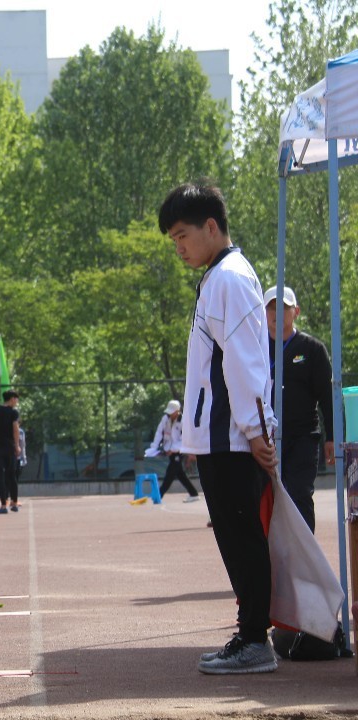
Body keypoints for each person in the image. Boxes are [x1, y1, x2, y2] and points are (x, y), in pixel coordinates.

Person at [159, 183, 279, 676]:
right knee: (235, 536)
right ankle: (251, 634)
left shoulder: (229, 279)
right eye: (173, 240)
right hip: (219, 435)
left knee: (243, 537)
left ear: (212, 227)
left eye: (183, 235)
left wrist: (254, 430)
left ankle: (255, 640)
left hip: (230, 437)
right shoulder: (219, 278)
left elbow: (247, 363)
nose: (179, 247)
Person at [265, 286, 334, 534]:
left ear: (296, 312)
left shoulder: (313, 349)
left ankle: (305, 555)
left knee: (298, 492)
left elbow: (327, 396)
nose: (277, 313)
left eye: (283, 307)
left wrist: (333, 437)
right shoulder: (255, 348)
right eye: (271, 307)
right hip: (263, 440)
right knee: (264, 498)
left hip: (303, 436)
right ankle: (271, 562)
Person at [149, 399, 200, 502]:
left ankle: (159, 495)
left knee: (170, 472)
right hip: (169, 450)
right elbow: (159, 432)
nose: (170, 414)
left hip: (178, 451)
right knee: (179, 473)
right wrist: (154, 447)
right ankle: (193, 493)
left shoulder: (183, 421)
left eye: (172, 412)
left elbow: (184, 439)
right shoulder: (165, 419)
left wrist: (173, 450)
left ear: (178, 411)